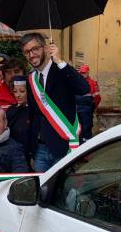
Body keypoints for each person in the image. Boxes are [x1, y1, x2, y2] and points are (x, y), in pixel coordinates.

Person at [21, 33, 89, 171]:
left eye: (35, 49)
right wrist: (32, 151)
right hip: (40, 149)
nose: (31, 54)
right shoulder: (31, 79)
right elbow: (33, 116)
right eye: (27, 52)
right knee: (43, 191)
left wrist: (60, 61)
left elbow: (83, 89)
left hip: (63, 146)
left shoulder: (61, 70)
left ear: (46, 48)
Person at [76, 64, 100, 143]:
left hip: (87, 111)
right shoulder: (76, 83)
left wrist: (93, 108)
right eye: (81, 73)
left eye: (84, 73)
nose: (83, 75)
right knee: (78, 129)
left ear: (88, 72)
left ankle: (87, 147)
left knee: (86, 129)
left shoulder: (93, 83)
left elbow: (97, 98)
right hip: (77, 111)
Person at [6, 75, 30, 148]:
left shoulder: (34, 110)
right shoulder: (11, 110)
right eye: (15, 91)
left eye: (22, 91)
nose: (17, 95)